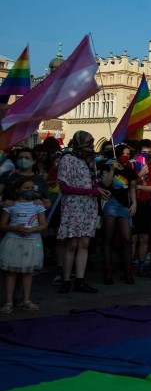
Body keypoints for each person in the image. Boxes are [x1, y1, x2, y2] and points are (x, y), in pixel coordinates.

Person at [57, 131, 108, 293]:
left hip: (89, 206)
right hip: (73, 205)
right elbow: (64, 187)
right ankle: (66, 279)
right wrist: (90, 192)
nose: (90, 147)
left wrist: (99, 190)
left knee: (84, 243)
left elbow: (94, 182)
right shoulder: (67, 159)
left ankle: (80, 279)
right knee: (72, 243)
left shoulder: (90, 161)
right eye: (88, 144)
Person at [0, 177, 48, 313]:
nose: (29, 191)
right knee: (11, 273)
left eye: (32, 188)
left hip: (31, 242)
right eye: (26, 188)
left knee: (28, 272)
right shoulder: (11, 206)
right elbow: (2, 225)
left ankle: (26, 300)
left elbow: (44, 224)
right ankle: (9, 302)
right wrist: (15, 228)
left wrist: (32, 229)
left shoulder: (38, 205)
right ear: (17, 190)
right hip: (13, 241)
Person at [99, 143, 139, 284]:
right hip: (110, 203)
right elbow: (105, 184)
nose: (127, 156)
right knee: (108, 237)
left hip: (124, 206)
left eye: (129, 154)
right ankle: (108, 270)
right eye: (124, 154)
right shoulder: (107, 167)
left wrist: (134, 203)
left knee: (126, 239)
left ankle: (128, 270)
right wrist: (111, 169)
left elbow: (132, 189)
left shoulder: (130, 171)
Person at [132, 139, 151, 276]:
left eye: (149, 152)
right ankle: (129, 264)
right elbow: (128, 184)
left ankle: (142, 265)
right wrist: (139, 176)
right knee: (132, 238)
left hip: (146, 205)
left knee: (144, 237)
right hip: (132, 204)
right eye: (144, 152)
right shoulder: (131, 166)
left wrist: (139, 186)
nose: (146, 155)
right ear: (138, 152)